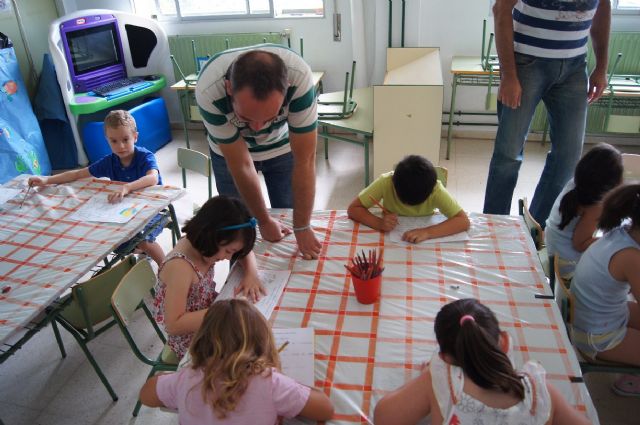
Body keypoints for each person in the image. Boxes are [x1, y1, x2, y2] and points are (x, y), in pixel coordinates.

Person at [484, 0, 611, 225]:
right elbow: (501, 9)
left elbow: (602, 9)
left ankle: (536, 227)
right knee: (509, 153)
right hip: (525, 64)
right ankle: (495, 225)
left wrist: (601, 67)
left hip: (574, 67)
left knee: (568, 157)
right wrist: (509, 76)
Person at [374, 298, 591, 425]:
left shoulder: (443, 383)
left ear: (444, 358)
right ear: (505, 342)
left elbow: (384, 417)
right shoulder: (539, 391)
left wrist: (428, 375)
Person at [195, 45, 321, 260]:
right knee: (237, 228)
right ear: (228, 88)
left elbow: (305, 160)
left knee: (290, 214)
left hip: (281, 148)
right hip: (229, 154)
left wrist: (301, 227)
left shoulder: (299, 79)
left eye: (270, 117)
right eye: (246, 118)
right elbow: (241, 164)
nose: (257, 128)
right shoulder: (208, 90)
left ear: (287, 89)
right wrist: (263, 220)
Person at [140, 299, 334, 423]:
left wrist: (169, 379)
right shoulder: (269, 382)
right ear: (261, 344)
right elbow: (325, 409)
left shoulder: (186, 378)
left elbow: (146, 396)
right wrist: (292, 384)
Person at [28, 110, 166, 265]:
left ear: (135, 137)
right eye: (114, 141)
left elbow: (153, 178)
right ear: (107, 140)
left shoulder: (145, 156)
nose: (120, 146)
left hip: (155, 209)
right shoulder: (109, 162)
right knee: (113, 239)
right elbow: (78, 174)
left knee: (142, 239)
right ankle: (140, 250)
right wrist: (46, 180)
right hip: (127, 210)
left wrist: (127, 187)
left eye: (125, 139)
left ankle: (166, 267)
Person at [153, 196, 264, 360]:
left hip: (211, 316)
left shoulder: (203, 245)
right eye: (228, 251)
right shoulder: (180, 267)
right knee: (253, 353)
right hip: (194, 339)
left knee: (260, 331)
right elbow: (174, 325)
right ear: (212, 236)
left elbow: (245, 253)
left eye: (232, 253)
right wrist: (227, 312)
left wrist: (251, 274)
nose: (229, 258)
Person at [571, 184, 640, 396]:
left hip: (589, 319)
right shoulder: (631, 257)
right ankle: (629, 382)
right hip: (597, 338)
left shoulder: (625, 230)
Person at [347, 155, 470, 243]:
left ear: (431, 191)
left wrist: (427, 232)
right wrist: (378, 223)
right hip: (390, 240)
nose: (407, 207)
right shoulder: (386, 182)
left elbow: (463, 221)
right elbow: (353, 208)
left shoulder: (436, 189)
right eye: (402, 200)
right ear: (393, 182)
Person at [545, 143, 623, 278]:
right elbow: (580, 244)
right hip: (565, 265)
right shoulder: (595, 206)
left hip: (552, 249)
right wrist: (608, 240)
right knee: (620, 259)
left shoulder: (575, 183)